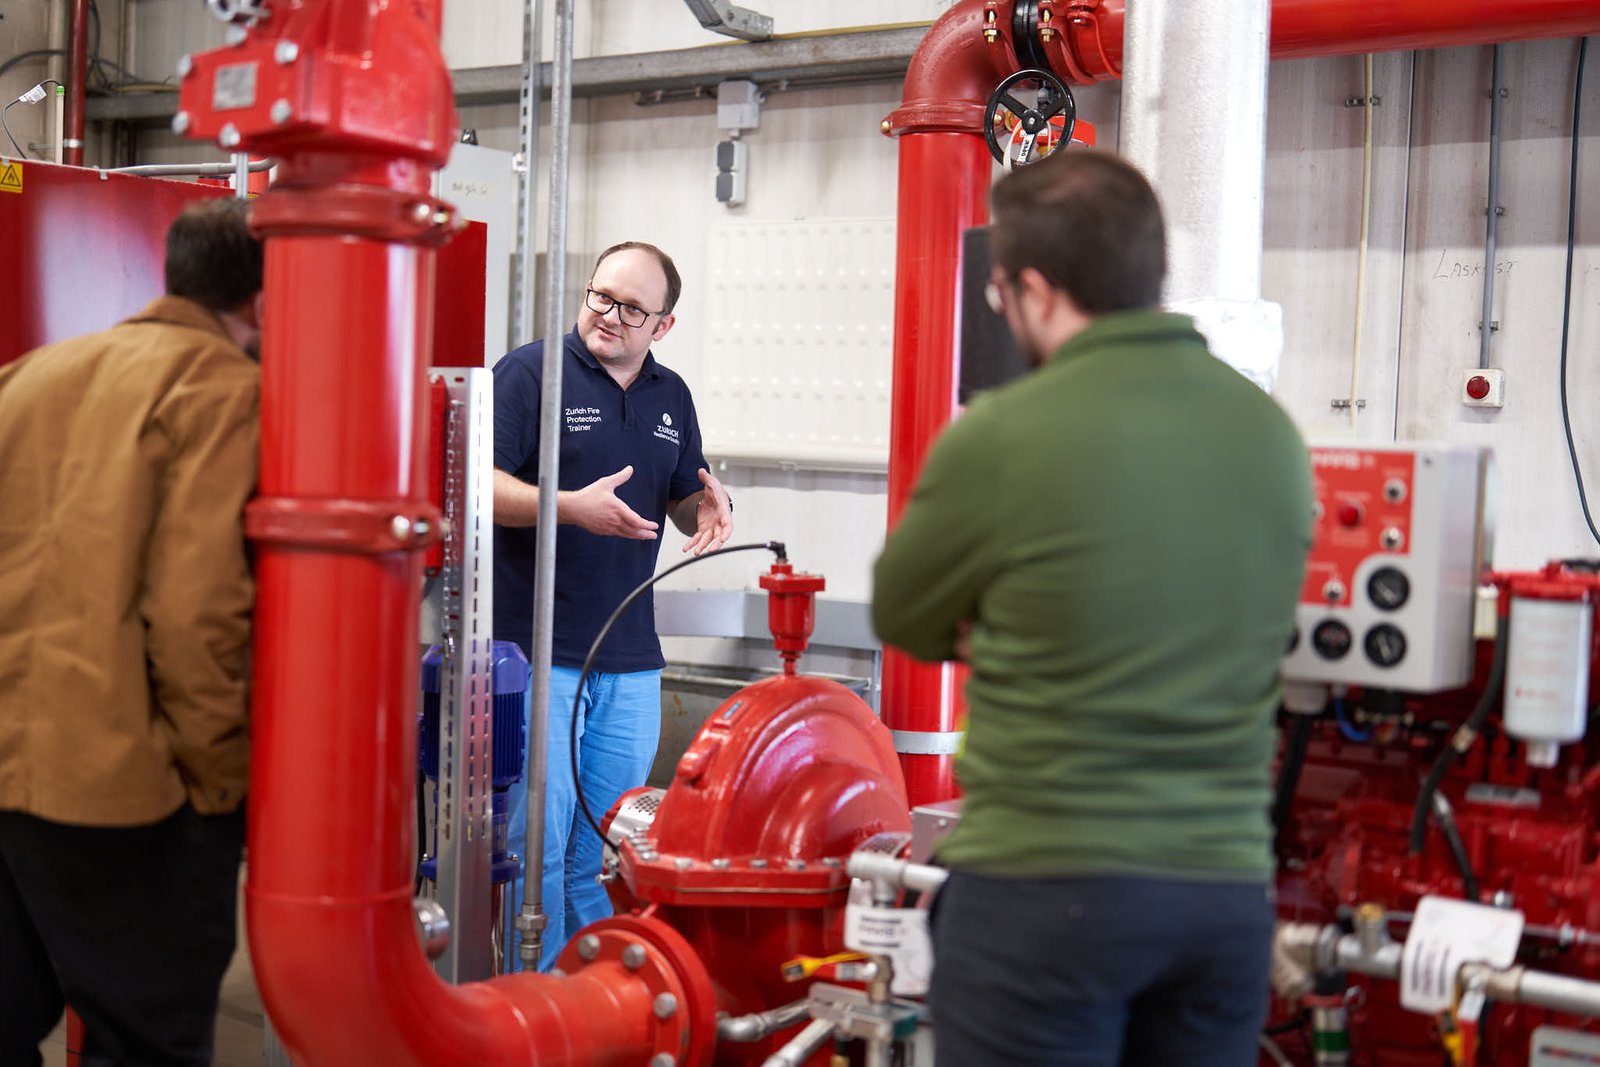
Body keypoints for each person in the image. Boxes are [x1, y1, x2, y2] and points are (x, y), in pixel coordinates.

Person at [872, 150, 1313, 1067]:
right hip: (1223, 900)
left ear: (1035, 289)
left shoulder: (1004, 432)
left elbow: (906, 615)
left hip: (1047, 887)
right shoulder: (1270, 433)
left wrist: (1008, 616)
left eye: (1000, 294)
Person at [0, 197, 262, 1067]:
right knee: (146, 1043)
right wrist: (220, 787)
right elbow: (197, 615)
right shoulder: (225, 392)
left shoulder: (31, 373)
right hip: (126, 794)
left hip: (9, 768)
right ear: (265, 299)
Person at [492, 240, 733, 970]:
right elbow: (475, 484)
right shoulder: (531, 373)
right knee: (534, 847)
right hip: (539, 652)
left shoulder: (671, 395)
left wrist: (707, 508)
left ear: (663, 325)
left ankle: (592, 999)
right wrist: (567, 506)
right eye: (601, 296)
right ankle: (534, 1004)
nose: (609, 315)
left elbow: (683, 496)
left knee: (605, 850)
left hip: (630, 660)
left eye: (632, 308)